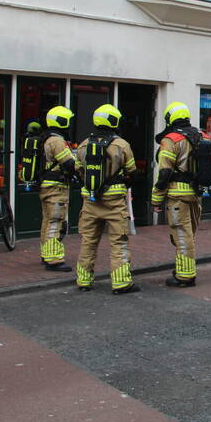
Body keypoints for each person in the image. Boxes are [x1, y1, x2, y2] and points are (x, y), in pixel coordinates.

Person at [74, 104, 139, 294]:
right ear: (114, 121)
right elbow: (132, 172)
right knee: (119, 241)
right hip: (114, 202)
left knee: (88, 241)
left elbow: (78, 170)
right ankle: (121, 283)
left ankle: (84, 281)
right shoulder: (121, 145)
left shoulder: (84, 144)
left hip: (90, 200)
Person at [152, 101, 202, 288]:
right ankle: (183, 268)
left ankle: (185, 276)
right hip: (196, 194)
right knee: (189, 234)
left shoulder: (171, 140)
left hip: (177, 195)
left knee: (182, 235)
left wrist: (156, 198)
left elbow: (164, 172)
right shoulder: (201, 136)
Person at [39, 106, 77, 272]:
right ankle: (54, 259)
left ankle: (46, 253)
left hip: (47, 186)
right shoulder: (56, 141)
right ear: (62, 122)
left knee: (47, 221)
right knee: (55, 221)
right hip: (56, 188)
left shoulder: (46, 138)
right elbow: (69, 164)